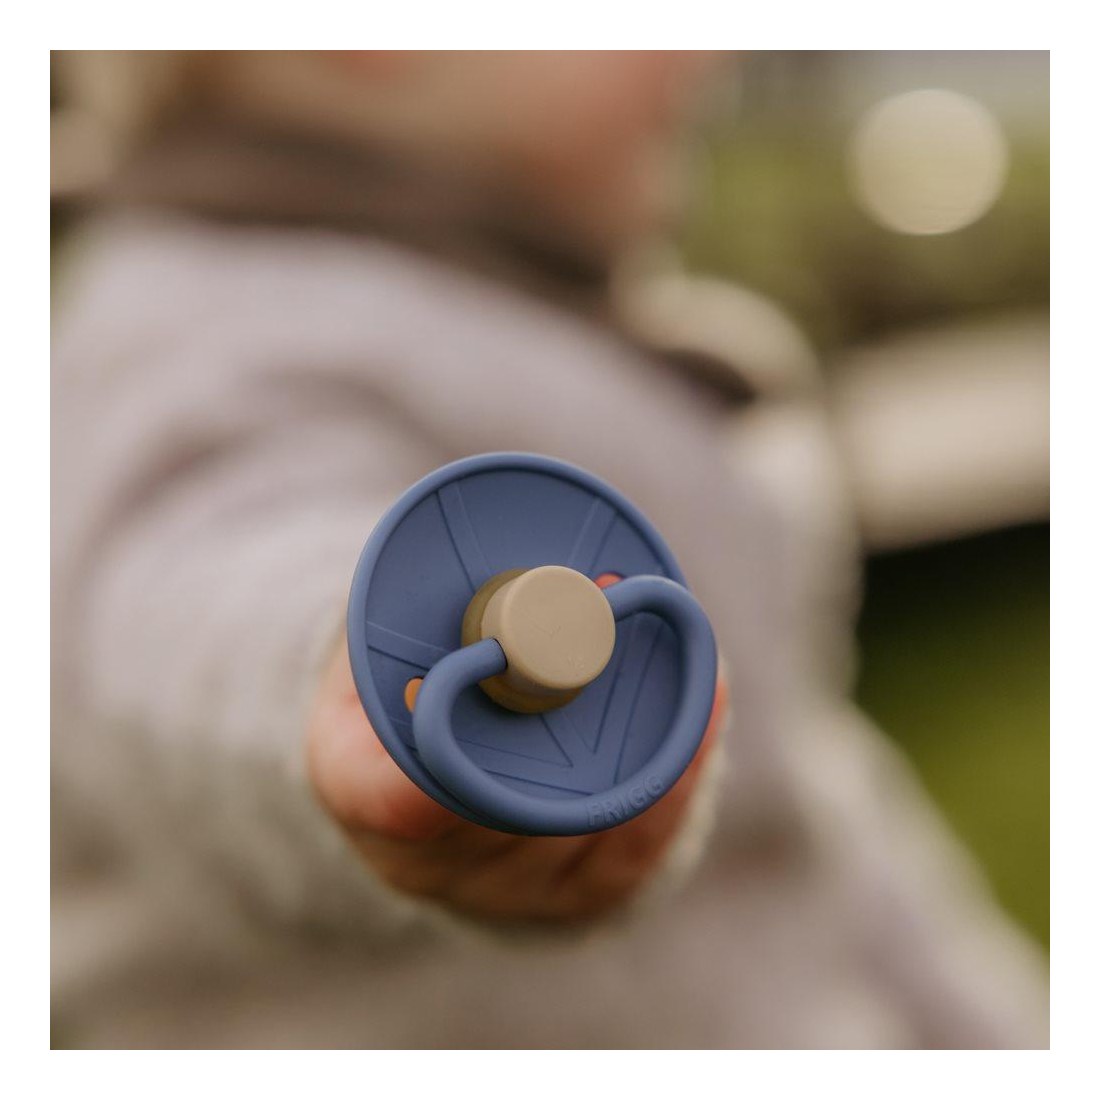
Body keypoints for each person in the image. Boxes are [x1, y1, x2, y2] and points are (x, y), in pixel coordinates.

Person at [51, 50, 1048, 1048]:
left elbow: (803, 819)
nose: (705, 46)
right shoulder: (209, 332)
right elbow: (191, 598)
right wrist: (338, 676)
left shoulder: (499, 298)